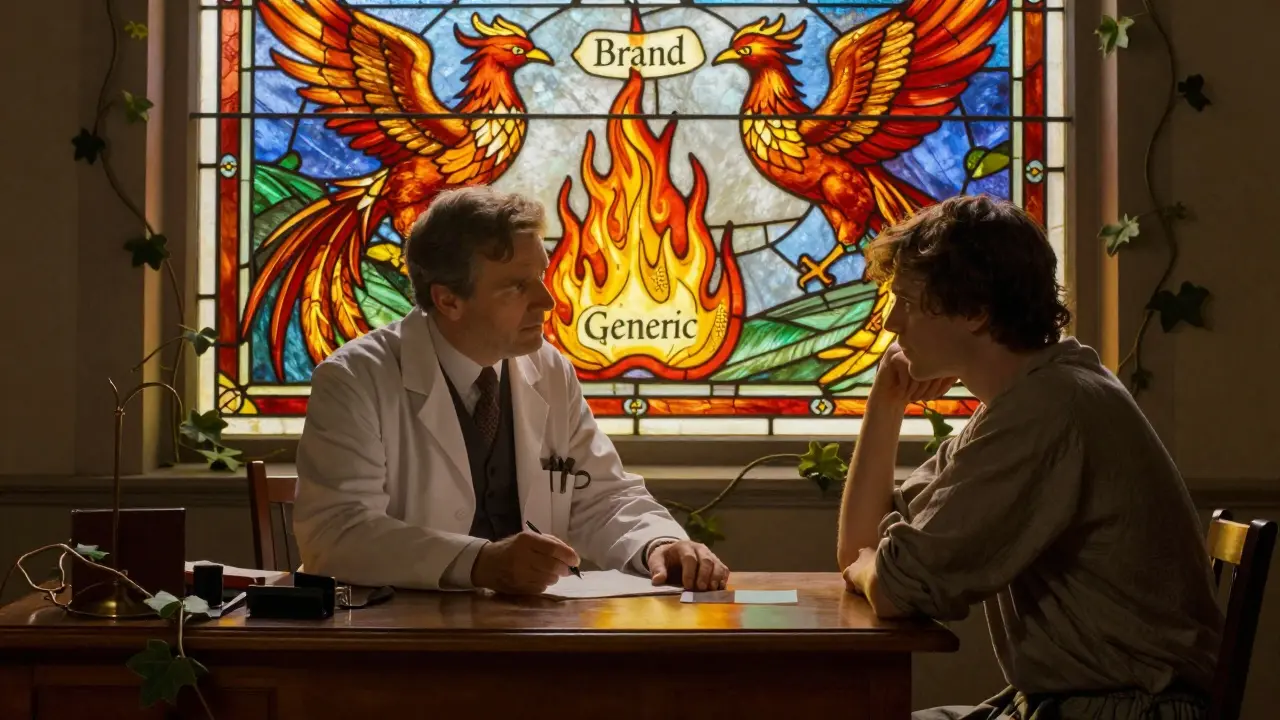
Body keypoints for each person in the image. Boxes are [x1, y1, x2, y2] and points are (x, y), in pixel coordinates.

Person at [836, 194, 1223, 719]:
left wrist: (871, 570)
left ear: (973, 311)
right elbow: (861, 548)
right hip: (1077, 704)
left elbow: (899, 589)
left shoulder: (1050, 408)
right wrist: (885, 403)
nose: (891, 324)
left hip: (1122, 711)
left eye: (906, 299)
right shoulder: (1027, 400)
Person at [293, 186, 729, 595]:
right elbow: (337, 533)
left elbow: (602, 495)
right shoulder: (354, 379)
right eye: (517, 286)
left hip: (533, 637)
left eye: (540, 276)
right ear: (448, 300)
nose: (546, 301)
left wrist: (659, 543)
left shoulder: (549, 369)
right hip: (402, 645)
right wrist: (480, 562)